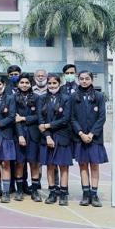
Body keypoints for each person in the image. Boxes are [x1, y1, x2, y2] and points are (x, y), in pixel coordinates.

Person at [71, 70, 108, 207]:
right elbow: (72, 118)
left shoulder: (99, 96)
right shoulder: (74, 97)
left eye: (87, 78)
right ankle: (86, 194)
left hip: (95, 138)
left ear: (91, 80)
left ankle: (94, 194)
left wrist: (91, 134)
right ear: (78, 80)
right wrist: (81, 133)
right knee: (83, 166)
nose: (84, 81)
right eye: (81, 79)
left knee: (94, 166)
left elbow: (102, 117)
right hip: (80, 138)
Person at [37, 73, 73, 206]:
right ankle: (52, 192)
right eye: (50, 83)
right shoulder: (41, 99)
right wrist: (47, 135)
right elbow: (40, 119)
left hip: (62, 136)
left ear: (59, 84)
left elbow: (66, 119)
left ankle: (63, 193)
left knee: (63, 166)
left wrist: (49, 125)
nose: (52, 86)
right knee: (50, 166)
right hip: (47, 137)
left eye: (54, 83)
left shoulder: (66, 98)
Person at [13, 73, 42, 202]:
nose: (24, 85)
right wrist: (20, 135)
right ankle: (19, 190)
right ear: (18, 84)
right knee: (19, 163)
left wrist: (24, 118)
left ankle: (35, 191)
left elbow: (39, 117)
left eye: (27, 83)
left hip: (34, 135)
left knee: (34, 164)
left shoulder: (37, 98)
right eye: (22, 82)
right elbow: (14, 118)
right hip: (19, 135)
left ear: (31, 84)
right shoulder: (13, 98)